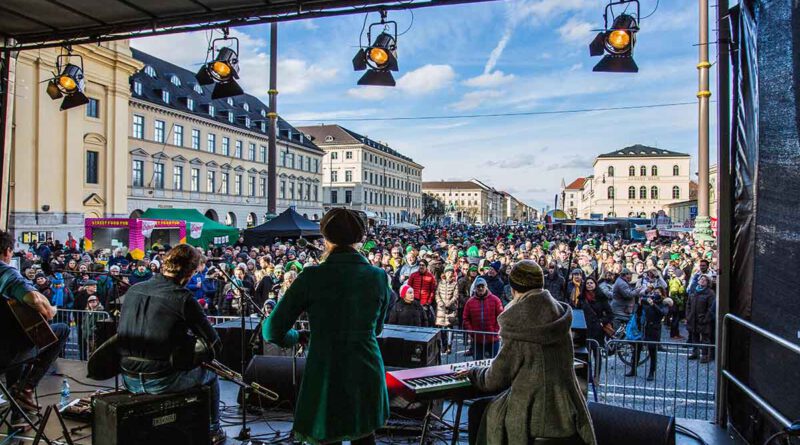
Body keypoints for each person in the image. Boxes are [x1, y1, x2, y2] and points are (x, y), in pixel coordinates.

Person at [263, 208, 390, 445]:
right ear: (360, 238)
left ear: (325, 237)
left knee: (325, 435)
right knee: (364, 436)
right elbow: (377, 329)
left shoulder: (311, 276)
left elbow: (272, 330)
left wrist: (297, 336)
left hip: (326, 373)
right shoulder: (379, 276)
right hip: (366, 371)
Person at [462, 261, 596, 445]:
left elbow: (494, 379)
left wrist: (473, 372)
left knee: (478, 410)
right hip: (565, 409)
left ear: (514, 290)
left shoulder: (518, 322)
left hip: (532, 411)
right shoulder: (558, 313)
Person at [117, 244, 225, 445]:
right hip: (160, 380)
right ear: (191, 272)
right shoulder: (182, 298)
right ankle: (213, 430)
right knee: (211, 374)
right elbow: (214, 344)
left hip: (127, 375)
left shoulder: (134, 289)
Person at [0, 230, 68, 415]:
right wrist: (50, 310)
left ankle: (18, 412)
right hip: (6, 356)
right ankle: (26, 388)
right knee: (61, 329)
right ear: (7, 251)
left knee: (19, 336)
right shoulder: (4, 271)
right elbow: (34, 299)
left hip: (7, 348)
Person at [462, 277, 503, 360]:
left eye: (482, 286)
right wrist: (471, 332)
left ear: (486, 287)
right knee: (477, 364)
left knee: (494, 364)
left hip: (493, 338)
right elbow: (466, 318)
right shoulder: (470, 302)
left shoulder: (495, 300)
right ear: (475, 288)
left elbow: (501, 316)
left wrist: (496, 330)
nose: (480, 288)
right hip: (477, 339)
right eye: (478, 287)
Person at [686, 274, 715, 363]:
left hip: (703, 319)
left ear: (708, 283)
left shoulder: (710, 293)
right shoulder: (694, 291)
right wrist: (688, 315)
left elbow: (711, 308)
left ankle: (705, 355)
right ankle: (695, 352)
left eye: (704, 280)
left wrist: (706, 319)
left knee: (705, 338)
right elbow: (688, 304)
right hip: (693, 318)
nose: (702, 280)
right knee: (694, 336)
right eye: (701, 279)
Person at [435, 265, 459, 353]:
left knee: (449, 327)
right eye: (447, 272)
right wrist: (440, 302)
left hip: (450, 308)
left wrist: (449, 303)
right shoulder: (440, 282)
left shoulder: (455, 283)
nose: (449, 274)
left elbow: (456, 295)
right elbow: (437, 294)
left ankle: (449, 345)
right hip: (441, 308)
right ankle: (443, 345)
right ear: (444, 273)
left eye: (451, 272)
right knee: (442, 328)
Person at [406, 259, 437, 326]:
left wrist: (428, 301)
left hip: (424, 302)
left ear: (426, 266)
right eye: (420, 265)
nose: (421, 267)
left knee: (423, 320)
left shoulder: (430, 276)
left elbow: (432, 290)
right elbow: (408, 288)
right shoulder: (413, 275)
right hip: (414, 301)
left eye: (423, 265)